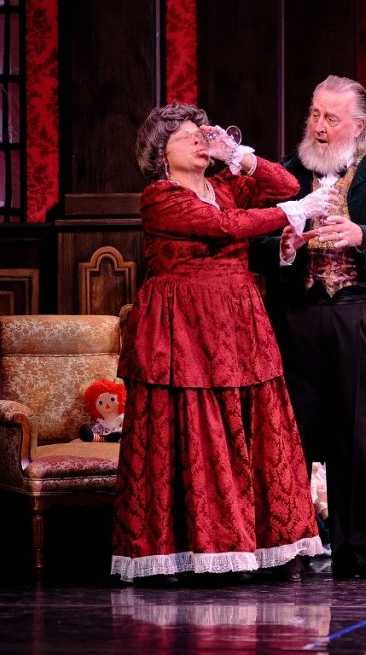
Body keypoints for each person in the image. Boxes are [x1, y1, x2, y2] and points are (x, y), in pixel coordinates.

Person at [111, 102, 331, 583]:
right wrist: (293, 214)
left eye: (199, 132)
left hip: (236, 317)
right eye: (185, 135)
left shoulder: (226, 185)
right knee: (186, 427)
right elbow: (225, 226)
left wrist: (240, 156)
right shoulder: (160, 195)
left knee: (248, 422)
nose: (197, 139)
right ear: (161, 153)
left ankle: (257, 546)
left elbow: (286, 184)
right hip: (183, 322)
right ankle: (175, 552)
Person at [255, 76, 366, 579]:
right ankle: (287, 546)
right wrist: (283, 250)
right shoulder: (285, 174)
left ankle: (354, 547)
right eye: (315, 115)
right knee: (293, 434)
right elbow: (253, 243)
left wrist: (361, 235)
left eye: (331, 118)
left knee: (356, 435)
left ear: (359, 126)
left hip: (360, 312)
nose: (320, 127)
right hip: (299, 315)